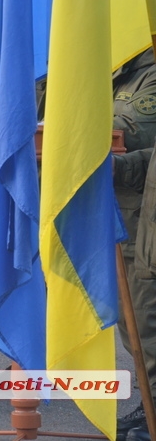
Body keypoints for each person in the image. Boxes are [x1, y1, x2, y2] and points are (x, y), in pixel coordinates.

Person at [111, 47, 156, 440]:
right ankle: (148, 402)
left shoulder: (149, 72)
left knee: (147, 318)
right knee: (133, 323)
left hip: (145, 212)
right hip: (123, 213)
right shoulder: (119, 72)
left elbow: (139, 133)